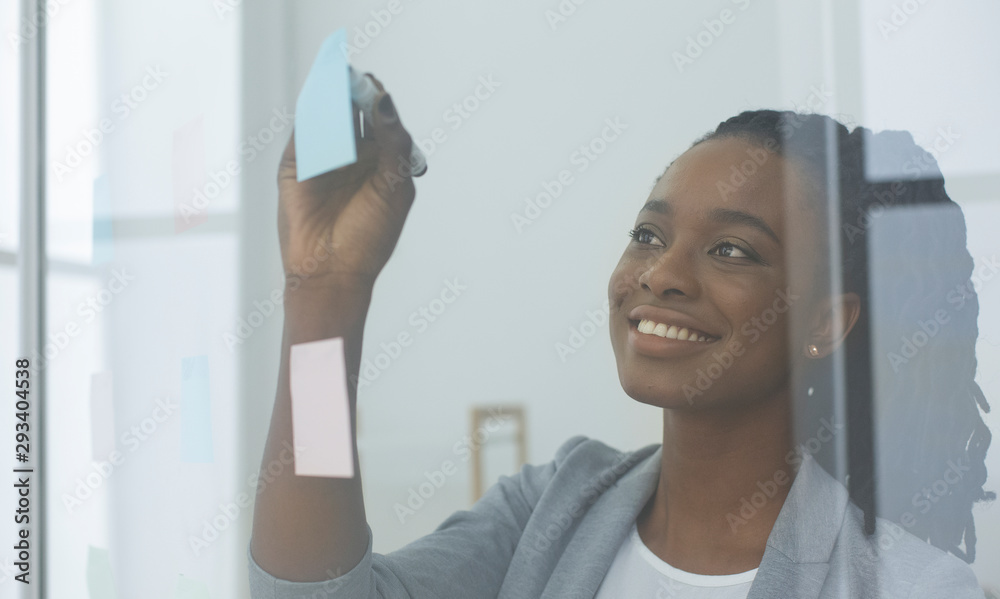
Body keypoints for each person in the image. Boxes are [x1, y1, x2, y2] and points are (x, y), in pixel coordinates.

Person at [247, 73, 993, 598]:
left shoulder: (914, 587)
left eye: (731, 248)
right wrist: (325, 293)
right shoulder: (548, 511)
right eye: (647, 235)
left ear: (825, 321)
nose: (660, 274)